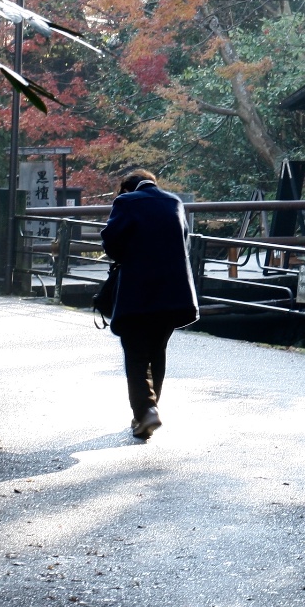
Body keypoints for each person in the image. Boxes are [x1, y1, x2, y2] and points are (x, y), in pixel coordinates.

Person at [98, 168, 198, 439]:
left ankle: (146, 412)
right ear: (154, 184)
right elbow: (184, 243)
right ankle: (147, 412)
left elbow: (111, 244)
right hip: (174, 293)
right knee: (157, 351)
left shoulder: (126, 202)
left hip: (138, 293)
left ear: (126, 189)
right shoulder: (174, 202)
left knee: (136, 353)